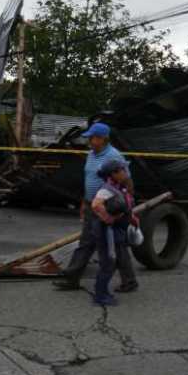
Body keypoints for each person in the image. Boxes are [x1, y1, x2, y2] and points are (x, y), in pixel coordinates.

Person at [53, 122, 139, 292]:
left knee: (117, 245)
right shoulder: (91, 154)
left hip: (109, 207)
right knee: (86, 242)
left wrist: (124, 207)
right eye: (89, 138)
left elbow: (127, 182)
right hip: (92, 205)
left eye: (93, 138)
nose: (90, 141)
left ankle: (129, 281)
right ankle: (72, 279)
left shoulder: (114, 156)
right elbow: (89, 179)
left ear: (103, 138)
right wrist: (84, 203)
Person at [90, 159, 139, 306]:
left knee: (111, 262)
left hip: (116, 231)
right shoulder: (106, 189)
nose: (125, 172)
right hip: (107, 231)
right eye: (122, 170)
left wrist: (132, 218)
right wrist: (109, 218)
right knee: (107, 263)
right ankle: (100, 296)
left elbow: (126, 207)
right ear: (114, 173)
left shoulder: (119, 188)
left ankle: (103, 292)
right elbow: (96, 205)